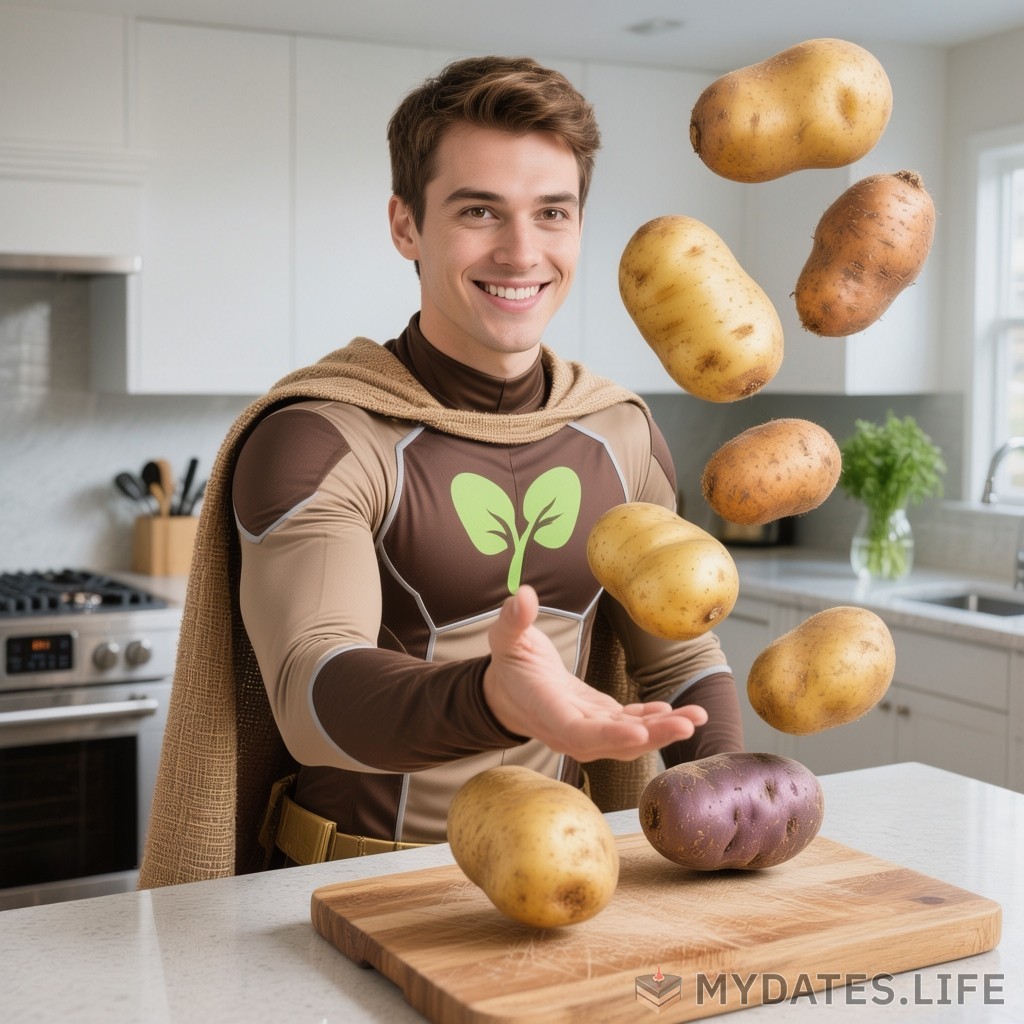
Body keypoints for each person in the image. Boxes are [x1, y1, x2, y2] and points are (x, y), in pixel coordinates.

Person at [139, 55, 742, 887]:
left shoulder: (621, 432)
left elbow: (678, 662)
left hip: (563, 886)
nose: (522, 251)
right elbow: (312, 688)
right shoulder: (321, 434)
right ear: (406, 226)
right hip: (339, 895)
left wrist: (729, 788)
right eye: (479, 211)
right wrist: (491, 698)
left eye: (552, 213)